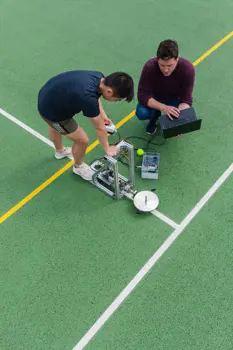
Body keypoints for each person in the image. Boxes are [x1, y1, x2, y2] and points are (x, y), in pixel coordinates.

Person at [37, 70, 134, 180]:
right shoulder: (87, 97)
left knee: (54, 127)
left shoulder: (99, 77)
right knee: (82, 140)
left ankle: (60, 151)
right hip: (52, 111)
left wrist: (104, 118)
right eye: (117, 100)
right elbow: (99, 128)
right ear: (109, 91)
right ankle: (78, 167)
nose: (116, 101)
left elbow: (96, 98)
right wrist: (107, 148)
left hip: (49, 95)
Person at [136, 39, 195, 134]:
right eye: (162, 65)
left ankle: (165, 118)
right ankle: (155, 116)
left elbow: (186, 99)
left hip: (175, 99)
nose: (166, 70)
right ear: (157, 59)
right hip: (155, 97)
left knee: (180, 117)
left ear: (177, 58)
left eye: (170, 65)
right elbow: (142, 95)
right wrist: (163, 107)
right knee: (141, 112)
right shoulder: (149, 67)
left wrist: (181, 122)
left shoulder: (188, 69)